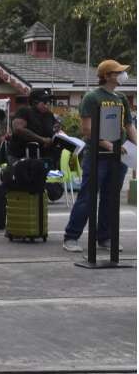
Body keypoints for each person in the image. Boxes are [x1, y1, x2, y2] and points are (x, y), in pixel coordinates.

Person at [62, 59, 136, 252]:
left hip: (118, 156)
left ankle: (105, 238)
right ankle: (71, 237)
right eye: (118, 72)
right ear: (107, 75)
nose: (122, 75)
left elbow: (129, 125)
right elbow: (87, 130)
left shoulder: (121, 98)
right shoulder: (92, 97)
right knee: (87, 196)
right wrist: (108, 145)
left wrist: (135, 143)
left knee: (111, 198)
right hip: (97, 156)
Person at [9, 88, 58, 165]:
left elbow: (55, 129)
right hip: (23, 157)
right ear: (35, 102)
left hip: (44, 157)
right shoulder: (24, 111)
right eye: (45, 102)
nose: (48, 104)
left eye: (50, 101)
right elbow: (18, 129)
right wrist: (42, 140)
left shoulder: (49, 115)